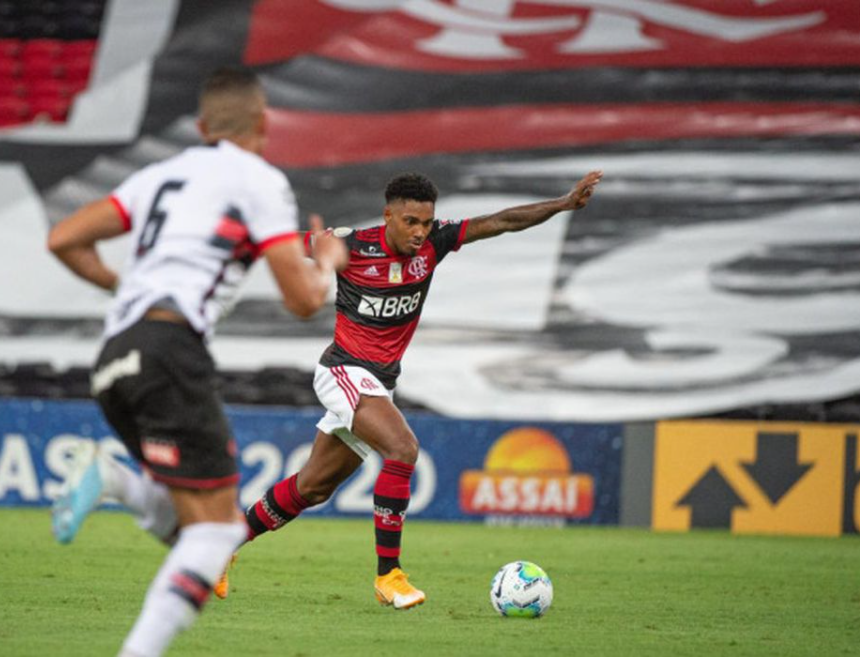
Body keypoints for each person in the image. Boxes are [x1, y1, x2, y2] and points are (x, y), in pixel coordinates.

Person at [48, 67, 347, 657]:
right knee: (218, 535)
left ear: (204, 127)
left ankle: (116, 482)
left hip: (114, 357)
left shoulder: (160, 174)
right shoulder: (259, 180)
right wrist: (329, 261)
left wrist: (128, 288)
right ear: (264, 124)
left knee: (189, 528)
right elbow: (304, 300)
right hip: (169, 352)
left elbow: (63, 239)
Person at [240, 169, 603, 609]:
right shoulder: (352, 244)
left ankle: (214, 551)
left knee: (312, 488)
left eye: (426, 222)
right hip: (343, 371)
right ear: (388, 215)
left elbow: (503, 221)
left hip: (378, 384)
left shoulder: (435, 243)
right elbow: (280, 245)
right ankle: (388, 575)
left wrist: (563, 203)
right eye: (410, 221)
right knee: (403, 448)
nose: (420, 232)